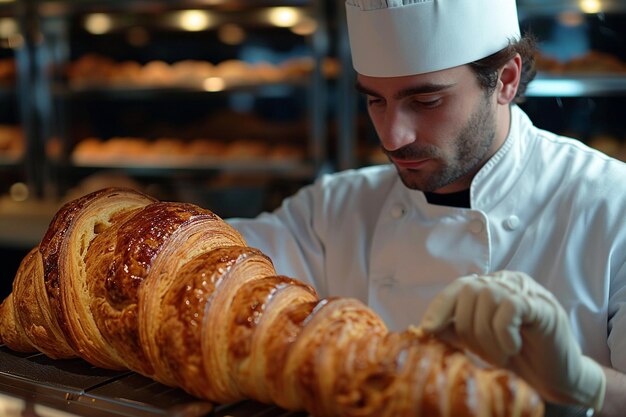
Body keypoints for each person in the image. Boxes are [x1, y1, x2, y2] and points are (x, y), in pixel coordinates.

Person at [227, 0, 626, 415]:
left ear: (506, 80)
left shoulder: (611, 204)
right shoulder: (333, 210)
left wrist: (585, 385)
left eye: (426, 101)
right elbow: (214, 267)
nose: (393, 137)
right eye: (375, 101)